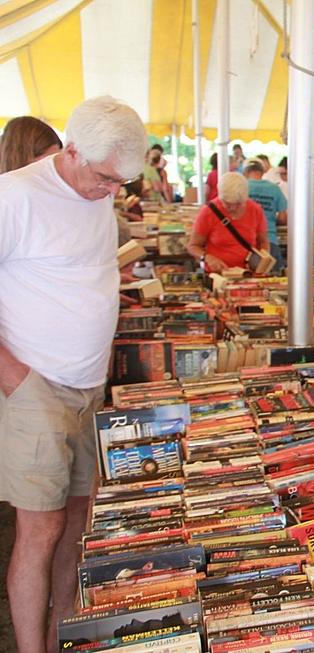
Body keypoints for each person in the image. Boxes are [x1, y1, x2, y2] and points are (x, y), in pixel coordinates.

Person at [0, 96, 147, 653]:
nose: (112, 192)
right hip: (37, 386)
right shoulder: (16, 196)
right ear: (72, 150)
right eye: (107, 179)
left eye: (121, 183)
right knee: (40, 529)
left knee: (78, 520)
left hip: (89, 387)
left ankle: (65, 630)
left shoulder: (96, 193)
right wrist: (14, 376)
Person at [187, 172, 269, 273]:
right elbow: (193, 246)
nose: (233, 208)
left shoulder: (255, 210)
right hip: (218, 275)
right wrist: (207, 257)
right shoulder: (208, 212)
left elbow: (263, 242)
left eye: (238, 204)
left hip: (247, 274)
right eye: (227, 204)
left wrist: (263, 262)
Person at [243, 158, 287, 272]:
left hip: (246, 242)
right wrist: (270, 218)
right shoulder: (274, 188)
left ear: (246, 172)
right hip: (270, 240)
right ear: (262, 172)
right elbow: (283, 218)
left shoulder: (242, 188)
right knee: (274, 282)